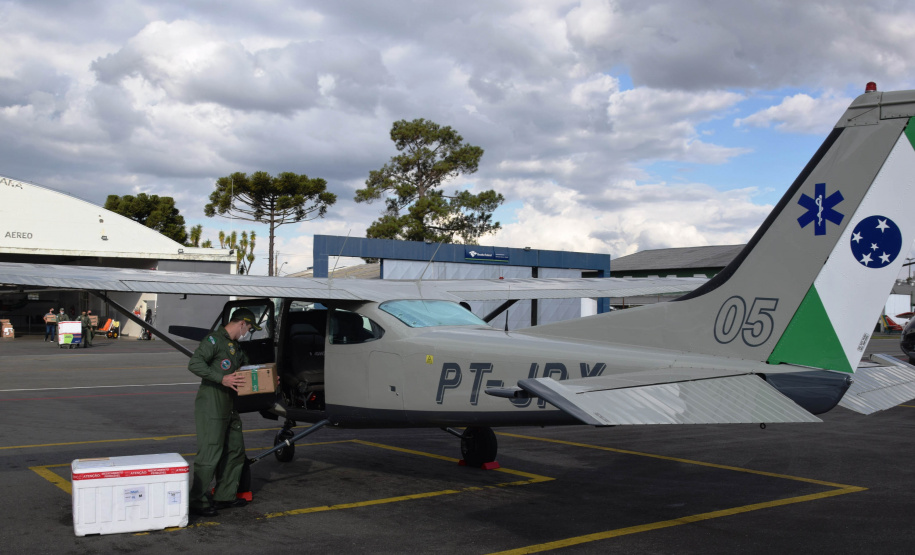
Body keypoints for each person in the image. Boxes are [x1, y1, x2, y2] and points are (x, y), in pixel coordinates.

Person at [187, 308, 261, 517]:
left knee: (235, 450)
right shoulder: (214, 341)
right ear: (241, 324)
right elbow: (195, 364)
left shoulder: (235, 347)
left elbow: (248, 370)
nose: (248, 333)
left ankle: (224, 495)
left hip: (229, 403)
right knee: (210, 452)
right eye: (248, 328)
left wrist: (268, 379)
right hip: (212, 401)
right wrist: (222, 378)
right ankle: (197, 500)